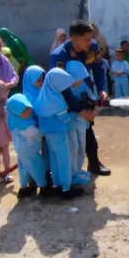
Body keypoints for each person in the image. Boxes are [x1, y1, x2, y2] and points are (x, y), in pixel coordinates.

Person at [49, 20, 111, 176]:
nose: (91, 42)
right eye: (87, 39)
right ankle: (64, 173)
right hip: (64, 99)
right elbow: (60, 88)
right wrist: (78, 109)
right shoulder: (59, 56)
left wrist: (102, 90)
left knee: (88, 128)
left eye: (92, 38)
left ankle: (94, 163)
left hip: (85, 92)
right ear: (74, 39)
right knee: (69, 137)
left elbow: (99, 69)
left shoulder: (94, 49)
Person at [33, 68, 90, 199]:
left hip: (48, 134)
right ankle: (66, 189)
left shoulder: (42, 97)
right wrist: (73, 117)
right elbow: (65, 118)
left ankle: (56, 184)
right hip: (59, 134)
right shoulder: (56, 100)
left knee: (54, 159)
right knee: (64, 160)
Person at [18, 65, 52, 197]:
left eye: (42, 80)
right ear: (29, 81)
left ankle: (45, 176)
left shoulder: (43, 93)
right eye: (38, 81)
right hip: (30, 134)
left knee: (45, 154)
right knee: (28, 158)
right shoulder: (24, 98)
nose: (41, 83)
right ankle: (28, 183)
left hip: (43, 131)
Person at [7, 92, 49, 198]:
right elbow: (36, 134)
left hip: (21, 151)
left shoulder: (14, 119)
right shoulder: (24, 125)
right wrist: (44, 132)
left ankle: (24, 187)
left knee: (24, 168)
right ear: (16, 112)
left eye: (28, 107)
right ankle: (43, 186)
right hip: (29, 151)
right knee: (36, 166)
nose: (28, 111)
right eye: (23, 111)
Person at [64, 60, 97, 178]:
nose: (80, 81)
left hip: (82, 122)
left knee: (82, 145)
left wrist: (93, 110)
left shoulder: (83, 84)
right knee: (73, 146)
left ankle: (79, 169)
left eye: (82, 78)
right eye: (78, 78)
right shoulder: (65, 88)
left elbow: (92, 99)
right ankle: (73, 171)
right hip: (70, 121)